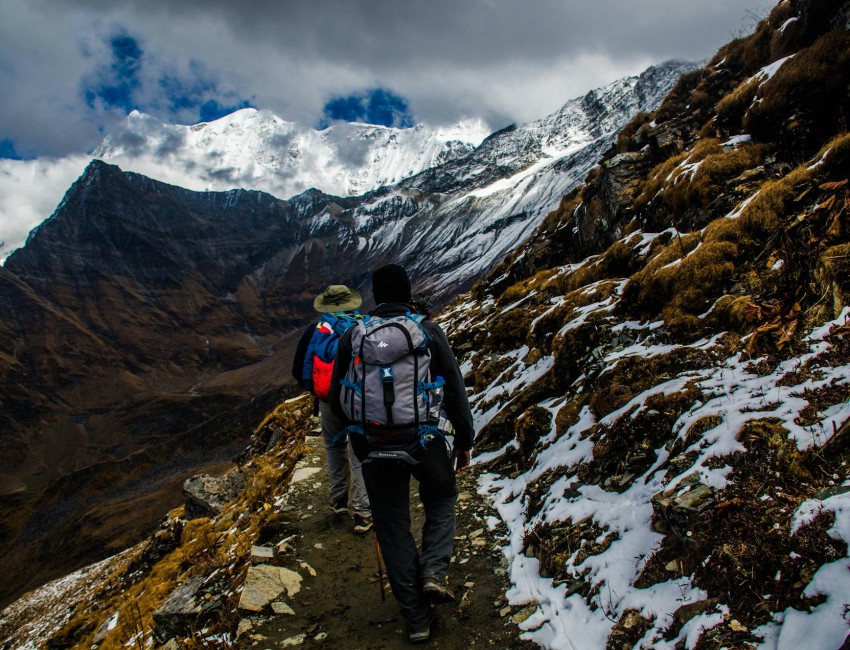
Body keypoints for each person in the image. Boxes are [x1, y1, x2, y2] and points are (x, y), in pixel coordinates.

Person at [330, 264, 474, 644]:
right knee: (442, 498)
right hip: (423, 441)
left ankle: (416, 621)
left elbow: (336, 396)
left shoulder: (353, 336)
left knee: (393, 526)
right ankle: (433, 573)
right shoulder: (427, 332)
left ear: (376, 297)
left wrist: (359, 440)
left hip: (374, 446)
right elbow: (455, 388)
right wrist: (463, 439)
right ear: (408, 292)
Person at [292, 284, 372, 533]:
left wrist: (318, 390)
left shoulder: (316, 330)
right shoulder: (365, 326)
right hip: (358, 400)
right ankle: (363, 511)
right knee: (359, 451)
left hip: (328, 400)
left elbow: (298, 367)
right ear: (352, 303)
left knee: (334, 446)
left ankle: (338, 500)